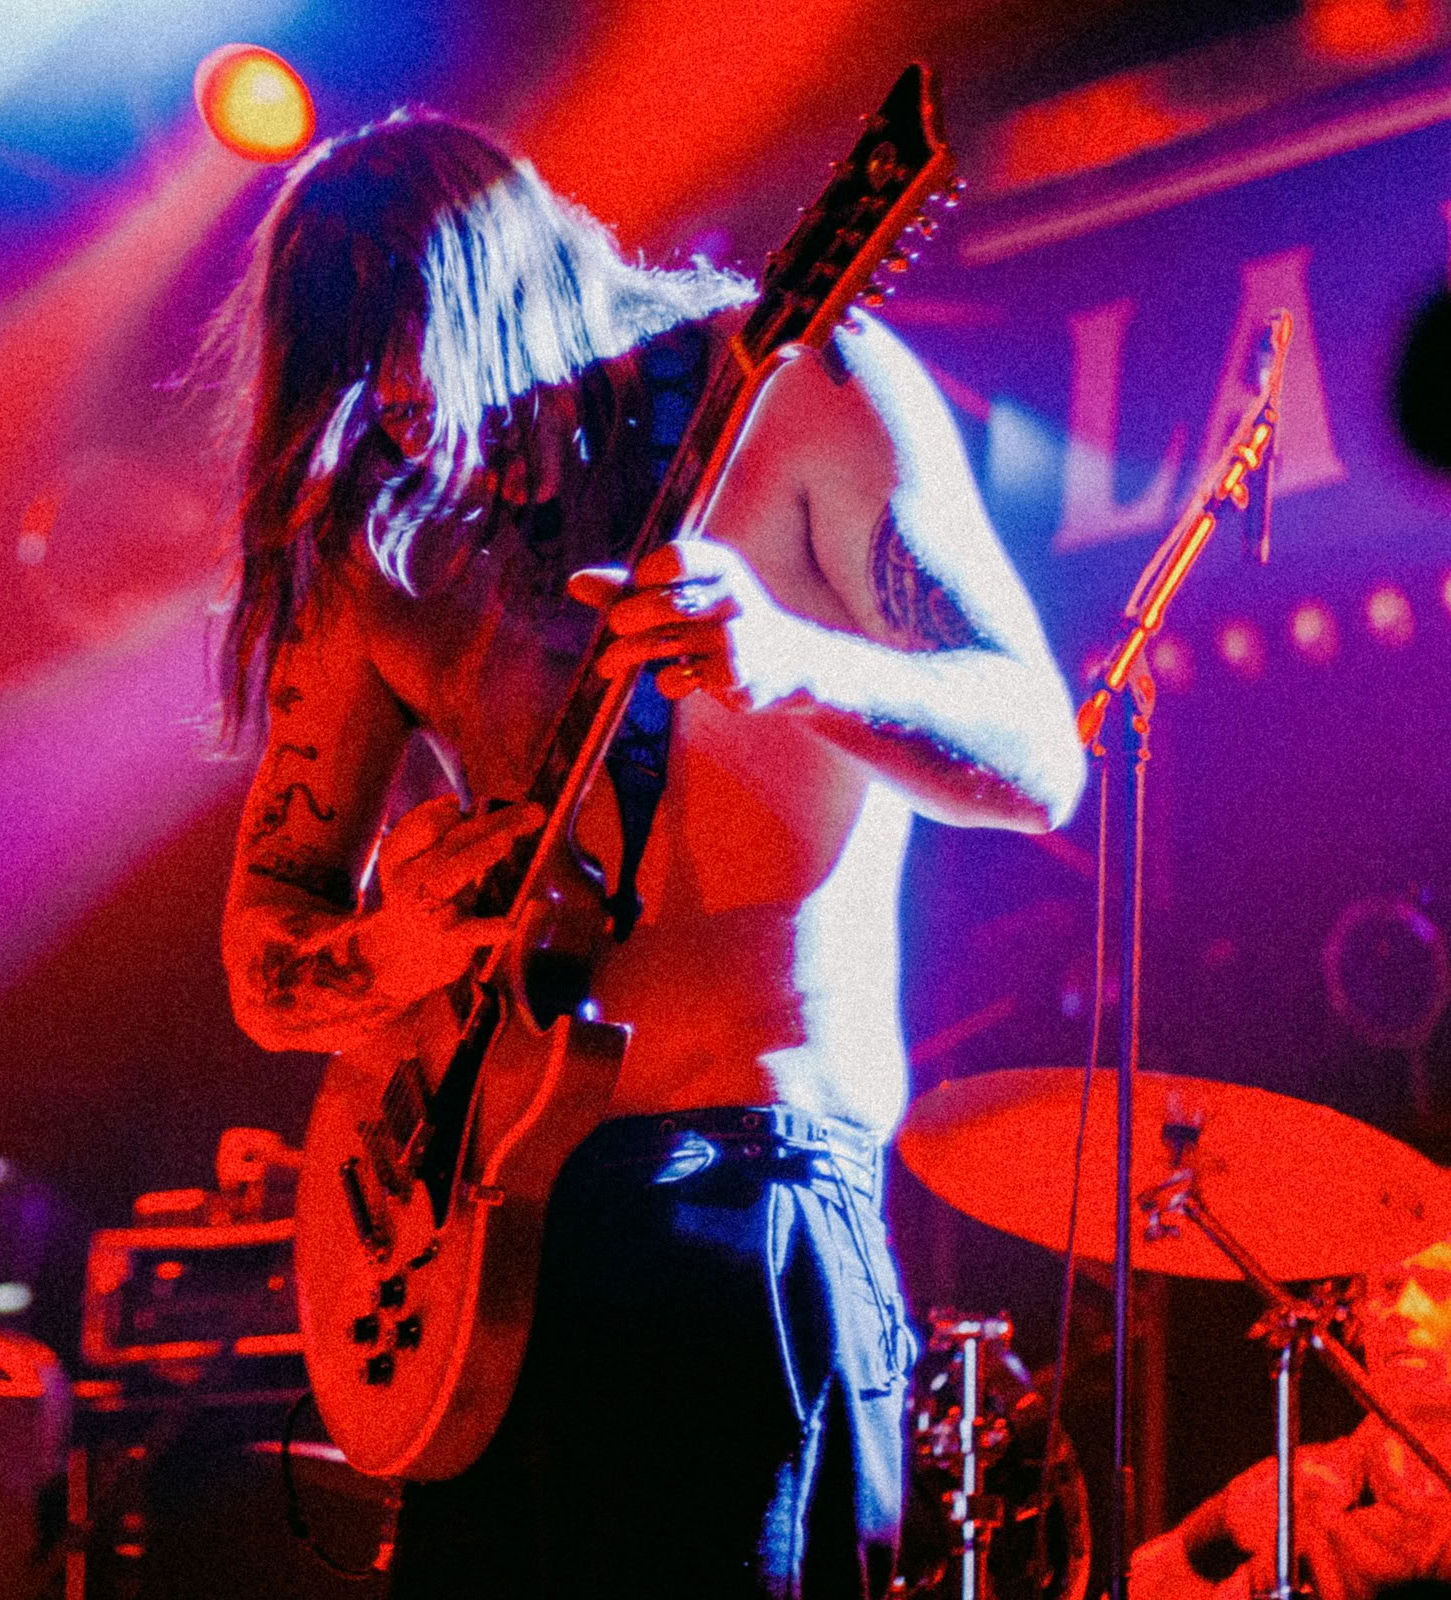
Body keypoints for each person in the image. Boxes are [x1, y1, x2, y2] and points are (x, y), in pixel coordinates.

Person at [206, 110, 1085, 1598]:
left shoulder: (795, 391)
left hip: (742, 1196)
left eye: (406, 359)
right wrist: (403, 949)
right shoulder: (392, 538)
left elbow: (1036, 754)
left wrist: (793, 661)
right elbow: (266, 953)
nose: (397, 422)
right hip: (471, 1256)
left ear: (504, 297)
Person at [1130, 1241, 1451, 1600]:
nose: (1402, 1311)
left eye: (1440, 1286)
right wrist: (1215, 1532)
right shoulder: (1311, 1485)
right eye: (1388, 1289)